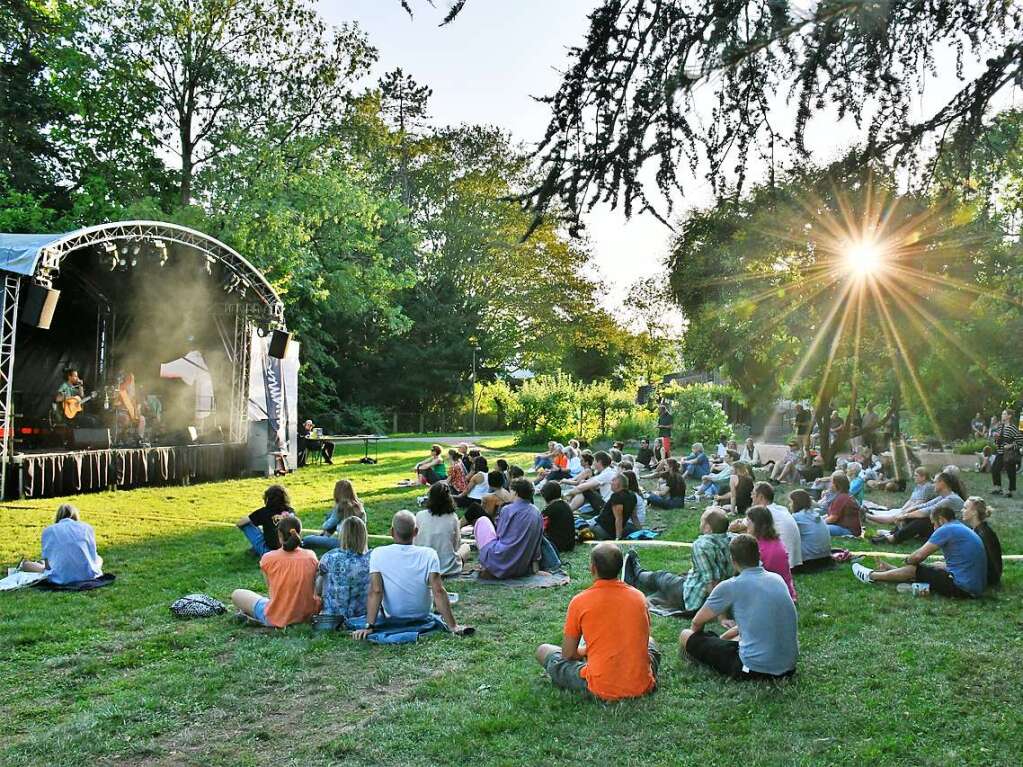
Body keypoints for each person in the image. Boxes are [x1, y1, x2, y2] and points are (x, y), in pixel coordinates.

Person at [536, 543, 659, 701]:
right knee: (651, 642)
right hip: (641, 685)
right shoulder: (639, 597)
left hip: (600, 685)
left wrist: (585, 651)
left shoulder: (579, 601)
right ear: (620, 567)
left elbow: (568, 654)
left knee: (543, 650)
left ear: (593, 568)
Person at [680, 534, 798, 680]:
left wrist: (697, 643)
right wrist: (723, 639)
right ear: (758, 555)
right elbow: (759, 622)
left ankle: (696, 652)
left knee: (685, 635)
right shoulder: (777, 579)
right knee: (735, 637)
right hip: (788, 666)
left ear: (732, 560)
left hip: (754, 669)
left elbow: (697, 622)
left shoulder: (731, 586)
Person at [351, 511, 466, 638]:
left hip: (394, 615)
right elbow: (438, 591)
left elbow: (376, 591)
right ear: (416, 532)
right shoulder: (429, 554)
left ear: (391, 532)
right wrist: (453, 626)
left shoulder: (378, 554)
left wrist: (369, 626)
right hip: (422, 614)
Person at [852, 505, 987, 598]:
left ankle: (872, 576)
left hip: (963, 588)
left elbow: (918, 556)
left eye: (934, 523)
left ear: (941, 520)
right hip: (973, 587)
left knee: (913, 569)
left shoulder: (946, 529)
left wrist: (907, 561)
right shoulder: (959, 527)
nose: (934, 528)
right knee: (930, 568)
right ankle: (892, 571)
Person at [623, 507, 732, 613]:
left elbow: (711, 582)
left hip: (695, 600)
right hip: (724, 594)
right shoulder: (732, 540)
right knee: (677, 578)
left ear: (708, 528)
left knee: (663, 577)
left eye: (702, 521)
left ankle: (637, 572)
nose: (700, 524)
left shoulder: (702, 545)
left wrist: (719, 614)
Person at [232, 516, 320, 628]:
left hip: (277, 616)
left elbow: (270, 589)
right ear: (299, 533)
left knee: (237, 594)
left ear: (279, 535)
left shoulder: (268, 558)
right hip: (308, 615)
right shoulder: (311, 556)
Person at [869, 471, 964, 545]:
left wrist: (904, 516)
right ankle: (893, 533)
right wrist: (906, 512)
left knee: (923, 520)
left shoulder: (952, 499)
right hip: (943, 528)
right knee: (916, 516)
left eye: (934, 482)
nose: (932, 484)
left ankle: (894, 538)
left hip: (953, 533)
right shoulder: (943, 496)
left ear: (942, 483)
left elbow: (928, 511)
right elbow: (924, 505)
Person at [18, 504, 104, 585]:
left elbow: (47, 562)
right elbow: (93, 556)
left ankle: (24, 564)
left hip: (60, 578)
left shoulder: (49, 530)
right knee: (99, 559)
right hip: (88, 575)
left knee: (28, 565)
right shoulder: (87, 528)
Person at [478, 479, 545, 579]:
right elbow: (537, 543)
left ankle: (485, 564)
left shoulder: (508, 509)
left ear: (516, 493)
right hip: (522, 566)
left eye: (511, 491)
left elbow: (500, 534)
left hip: (501, 559)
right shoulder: (537, 512)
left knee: (482, 521)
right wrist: (535, 568)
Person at [313, 517, 371, 631]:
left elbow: (318, 590)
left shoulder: (328, 557)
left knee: (322, 575)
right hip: (362, 616)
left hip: (331, 618)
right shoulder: (372, 559)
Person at [744, 506, 797, 601]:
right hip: (787, 593)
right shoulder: (775, 541)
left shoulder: (759, 548)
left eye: (749, 521)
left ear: (757, 524)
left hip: (771, 597)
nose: (746, 524)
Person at [746, 482, 802, 568]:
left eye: (753, 494)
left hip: (781, 560)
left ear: (760, 497)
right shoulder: (781, 509)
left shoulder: (764, 512)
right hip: (792, 559)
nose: (751, 496)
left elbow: (741, 527)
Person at [414, 483, 464, 577]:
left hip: (424, 566)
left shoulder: (420, 515)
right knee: (466, 548)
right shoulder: (453, 517)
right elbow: (456, 545)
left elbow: (415, 542)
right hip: (448, 568)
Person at [303, 479, 366, 550]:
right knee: (332, 517)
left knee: (307, 539)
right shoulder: (360, 507)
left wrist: (325, 524)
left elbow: (327, 525)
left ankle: (323, 536)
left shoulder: (341, 508)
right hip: (361, 544)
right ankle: (324, 536)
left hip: (343, 545)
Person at [864, 467, 935, 527]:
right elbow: (911, 500)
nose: (914, 477)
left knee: (893, 516)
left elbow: (919, 503)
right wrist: (903, 508)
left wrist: (905, 511)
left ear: (923, 477)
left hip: (917, 511)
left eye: (916, 476)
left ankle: (867, 516)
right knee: (891, 512)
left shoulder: (927, 487)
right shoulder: (919, 485)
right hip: (911, 508)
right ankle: (868, 513)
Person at [237, 484, 294, 557]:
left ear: (267, 498)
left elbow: (240, 523)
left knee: (247, 525)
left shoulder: (264, 512)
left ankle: (257, 548)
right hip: (291, 549)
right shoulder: (291, 511)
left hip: (270, 553)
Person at [787, 490, 832, 573]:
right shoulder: (815, 514)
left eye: (791, 502)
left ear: (796, 503)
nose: (790, 505)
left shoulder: (797, 517)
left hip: (810, 560)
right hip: (826, 557)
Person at [963, 496, 1002, 588]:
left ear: (974, 512)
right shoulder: (978, 530)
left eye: (965, 508)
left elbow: (984, 562)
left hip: (986, 578)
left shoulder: (982, 534)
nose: (962, 510)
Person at [590, 473, 638, 540]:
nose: (610, 483)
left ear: (618, 484)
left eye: (613, 481)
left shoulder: (617, 497)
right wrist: (640, 531)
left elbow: (618, 519)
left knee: (583, 526)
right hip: (615, 530)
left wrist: (618, 538)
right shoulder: (633, 496)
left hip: (604, 530)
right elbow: (634, 516)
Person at [991, 409, 1022, 498]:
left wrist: (1011, 446)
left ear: (1009, 416)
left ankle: (1011, 490)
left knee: (1010, 472)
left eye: (1004, 414)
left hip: (1009, 454)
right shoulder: (1000, 427)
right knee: (995, 469)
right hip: (1000, 452)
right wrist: (996, 439)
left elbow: (1020, 441)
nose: (1002, 415)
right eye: (1002, 414)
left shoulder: (1013, 428)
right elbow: (998, 441)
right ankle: (998, 488)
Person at [823, 472, 863, 538]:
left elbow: (833, 518)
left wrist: (819, 524)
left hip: (848, 530)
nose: (830, 485)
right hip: (846, 527)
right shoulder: (844, 495)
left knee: (820, 529)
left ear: (837, 484)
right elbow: (830, 515)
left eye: (831, 482)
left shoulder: (842, 498)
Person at [539, 482, 576, 553]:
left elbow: (540, 527)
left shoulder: (550, 509)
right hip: (570, 544)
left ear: (544, 496)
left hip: (556, 545)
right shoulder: (566, 505)